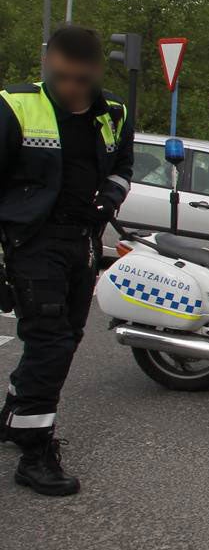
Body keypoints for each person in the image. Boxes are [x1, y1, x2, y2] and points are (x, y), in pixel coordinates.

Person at [0, 25, 134, 496]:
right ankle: (35, 454)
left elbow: (124, 166)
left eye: (80, 78)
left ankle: (16, 415)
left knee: (66, 337)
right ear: (47, 67)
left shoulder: (113, 111)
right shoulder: (16, 106)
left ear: (96, 73)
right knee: (50, 340)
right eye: (61, 77)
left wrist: (109, 200)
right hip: (33, 242)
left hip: (83, 241)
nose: (70, 88)